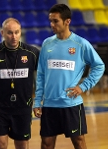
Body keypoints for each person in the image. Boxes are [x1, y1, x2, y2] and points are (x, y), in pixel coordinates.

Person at [33, 4, 105, 149]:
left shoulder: (81, 44)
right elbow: (40, 75)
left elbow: (99, 66)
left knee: (78, 142)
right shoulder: (47, 44)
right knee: (46, 144)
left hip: (71, 104)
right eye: (50, 21)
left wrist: (83, 86)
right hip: (49, 105)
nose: (51, 24)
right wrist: (37, 101)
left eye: (55, 21)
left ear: (67, 21)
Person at [0, 18, 40, 149]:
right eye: (10, 33)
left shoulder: (32, 53)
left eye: (17, 32)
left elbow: (43, 77)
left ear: (21, 32)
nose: (14, 36)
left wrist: (40, 99)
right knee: (0, 144)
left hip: (23, 107)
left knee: (21, 145)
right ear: (2, 33)